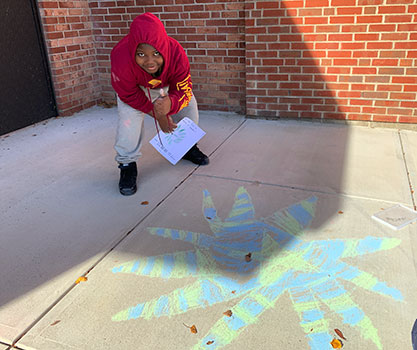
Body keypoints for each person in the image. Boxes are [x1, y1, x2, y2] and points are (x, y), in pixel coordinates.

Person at [110, 12, 209, 196]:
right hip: (137, 88)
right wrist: (158, 114)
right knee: (128, 122)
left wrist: (170, 103)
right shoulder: (120, 56)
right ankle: (127, 164)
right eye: (141, 54)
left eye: (156, 53)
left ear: (164, 47)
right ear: (133, 50)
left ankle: (186, 148)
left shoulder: (176, 52)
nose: (150, 61)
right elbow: (127, 93)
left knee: (189, 108)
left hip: (167, 86)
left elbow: (184, 88)